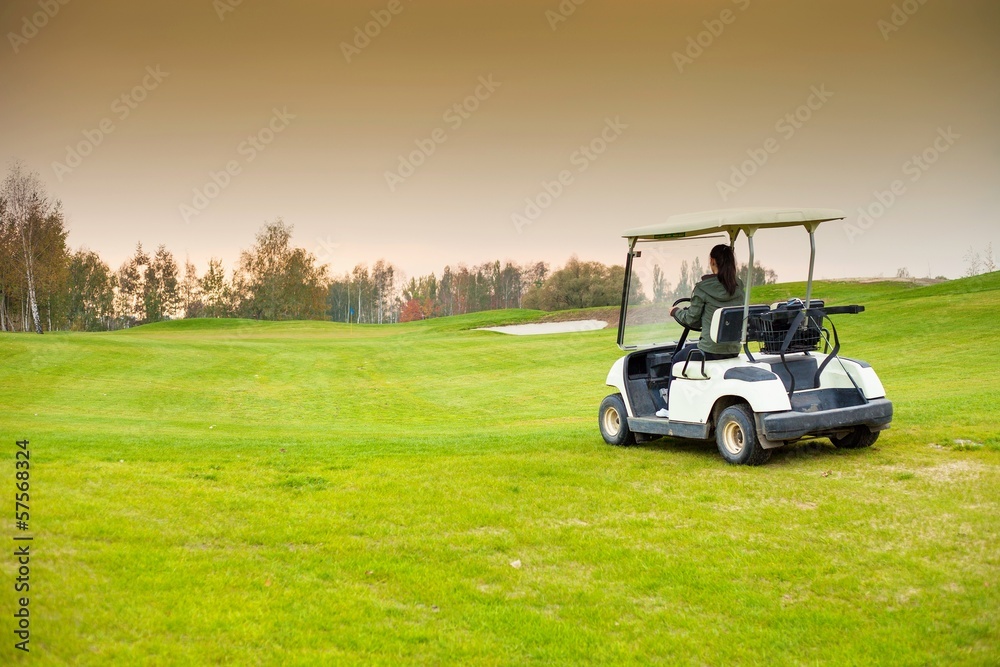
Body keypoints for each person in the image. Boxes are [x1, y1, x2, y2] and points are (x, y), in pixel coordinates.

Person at [669, 244, 746, 360]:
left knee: (676, 359)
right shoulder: (738, 287)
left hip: (709, 350)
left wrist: (675, 311)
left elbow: (691, 319)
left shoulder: (703, 288)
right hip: (733, 350)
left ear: (712, 261)